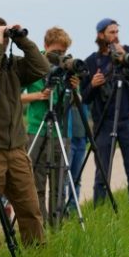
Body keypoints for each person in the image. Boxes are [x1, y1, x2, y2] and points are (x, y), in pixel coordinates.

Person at [0, 16, 49, 250]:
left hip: (16, 147)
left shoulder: (13, 65)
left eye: (5, 37)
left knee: (29, 207)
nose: (4, 41)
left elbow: (42, 67)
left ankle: (36, 255)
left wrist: (23, 40)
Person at [80, 18, 129, 204]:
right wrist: (93, 85)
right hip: (104, 122)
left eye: (117, 32)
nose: (115, 36)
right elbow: (84, 98)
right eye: (111, 32)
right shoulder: (91, 62)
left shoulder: (127, 53)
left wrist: (125, 54)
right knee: (102, 173)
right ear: (100, 35)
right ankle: (99, 212)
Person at [21, 27, 79, 224]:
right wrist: (38, 95)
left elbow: (73, 102)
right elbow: (15, 95)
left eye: (63, 52)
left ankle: (57, 225)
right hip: (37, 129)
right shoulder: (33, 65)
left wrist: (74, 88)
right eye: (56, 51)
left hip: (61, 132)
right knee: (36, 183)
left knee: (58, 184)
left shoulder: (65, 68)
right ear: (45, 46)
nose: (59, 56)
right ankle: (40, 226)